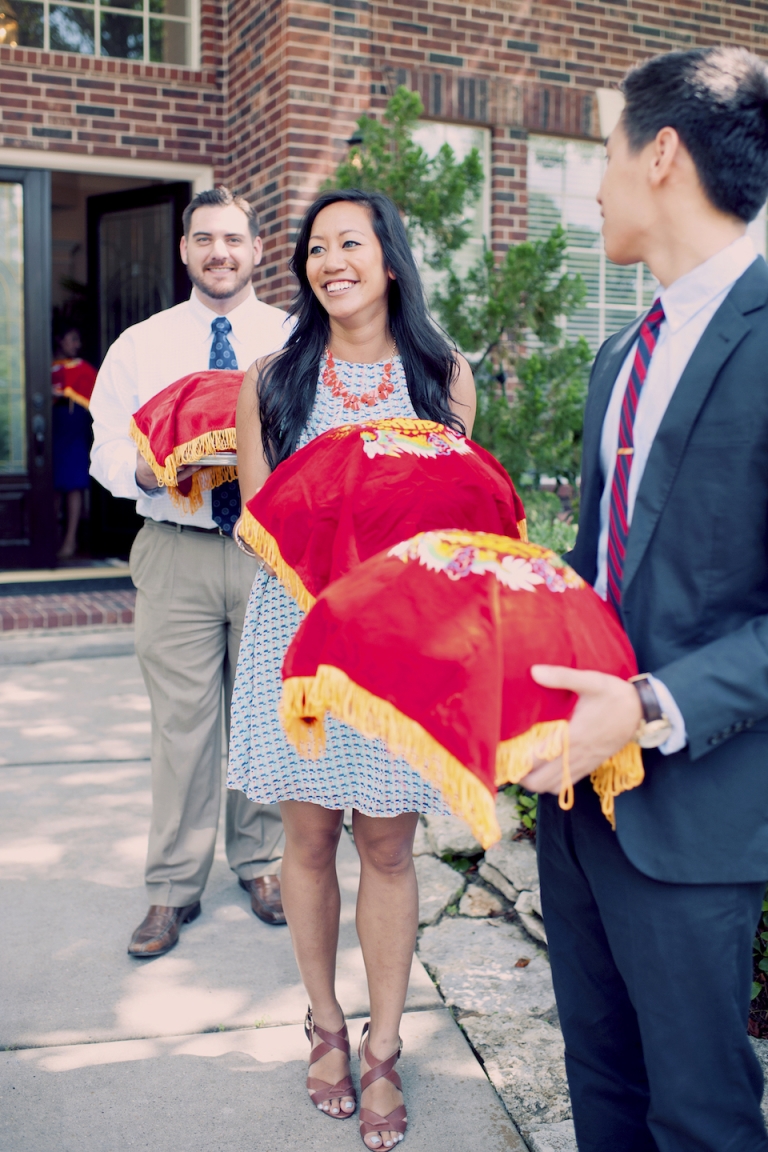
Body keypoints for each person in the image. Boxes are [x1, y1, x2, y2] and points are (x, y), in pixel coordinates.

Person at [519, 47, 768, 1151]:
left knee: (702, 1121)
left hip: (697, 813)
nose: (598, 187)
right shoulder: (620, 350)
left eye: (604, 156)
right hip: (576, 806)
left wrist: (654, 703)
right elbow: (599, 565)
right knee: (602, 1095)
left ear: (661, 154)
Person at [228, 188, 475, 1149]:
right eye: (316, 248)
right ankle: (323, 1022)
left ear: (390, 258)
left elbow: (459, 524)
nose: (331, 261)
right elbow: (260, 525)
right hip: (297, 635)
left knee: (387, 848)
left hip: (399, 643)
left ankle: (382, 1043)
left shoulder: (442, 375)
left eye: (351, 243)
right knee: (309, 839)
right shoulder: (271, 381)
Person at [90, 186, 289, 958]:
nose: (220, 253)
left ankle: (262, 864)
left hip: (268, 553)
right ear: (184, 251)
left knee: (266, 719)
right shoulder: (142, 344)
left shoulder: (295, 335)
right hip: (174, 552)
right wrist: (144, 472)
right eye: (204, 239)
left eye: (234, 240)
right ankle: (172, 889)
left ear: (256, 250)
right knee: (182, 728)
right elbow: (105, 444)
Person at [51, 325, 97, 560]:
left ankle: (70, 540)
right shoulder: (46, 366)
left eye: (77, 340)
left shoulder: (83, 369)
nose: (76, 345)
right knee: (51, 485)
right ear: (60, 341)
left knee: (74, 483)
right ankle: (50, 539)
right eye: (72, 340)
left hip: (74, 430)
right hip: (50, 431)